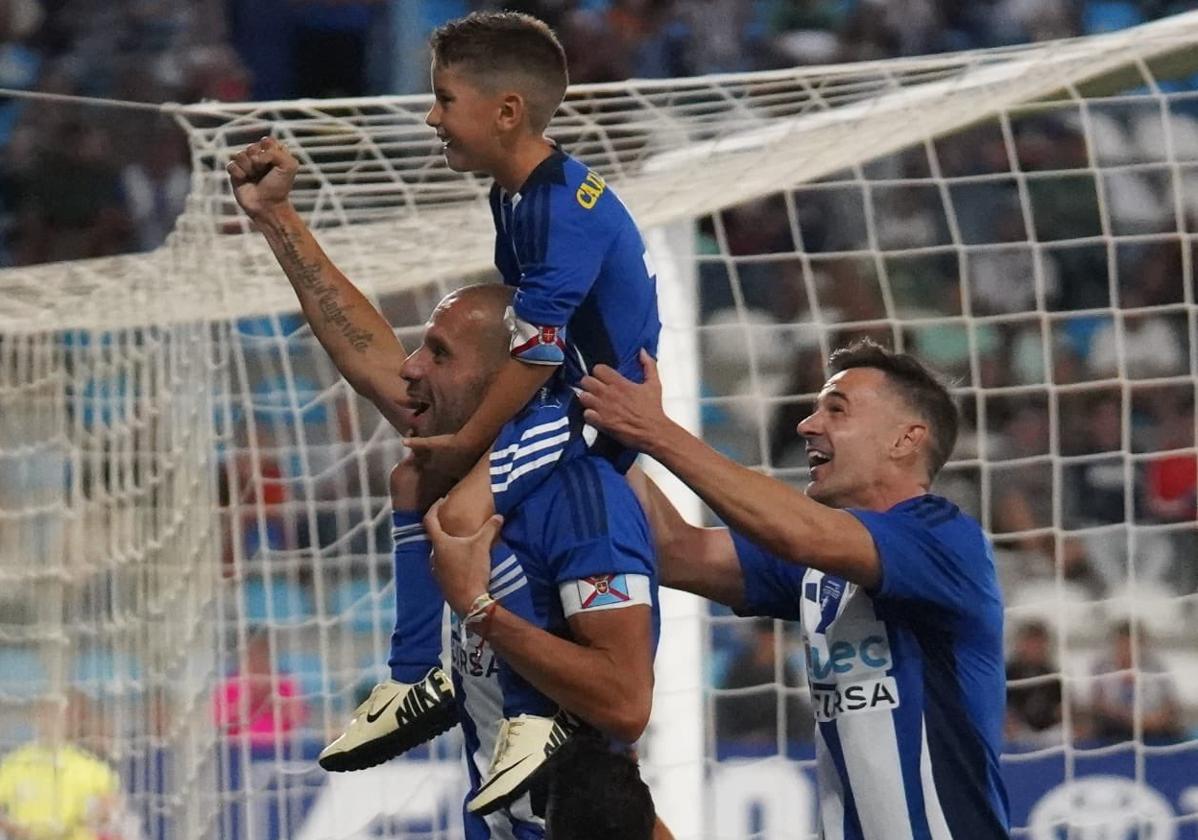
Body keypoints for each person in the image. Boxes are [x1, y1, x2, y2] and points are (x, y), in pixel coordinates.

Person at [226, 8, 660, 793]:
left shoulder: (579, 499)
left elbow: (629, 704)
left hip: (594, 399)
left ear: (506, 110)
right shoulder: (512, 199)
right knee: (415, 485)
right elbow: (382, 364)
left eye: (443, 99)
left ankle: (523, 708)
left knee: (451, 513)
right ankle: (413, 675)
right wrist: (279, 221)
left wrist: (466, 453)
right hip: (561, 396)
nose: (429, 116)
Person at [581, 339, 1010, 837]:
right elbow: (676, 550)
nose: (807, 425)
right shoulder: (820, 570)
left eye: (837, 409)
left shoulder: (946, 540)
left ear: (905, 440)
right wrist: (600, 428)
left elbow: (801, 532)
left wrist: (656, 431)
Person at [0, 695, 136, 840]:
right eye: (45, 714)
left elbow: (111, 809)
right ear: (35, 718)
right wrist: (14, 830)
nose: (50, 721)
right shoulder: (14, 763)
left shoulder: (93, 767)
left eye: (57, 715)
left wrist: (91, 818)